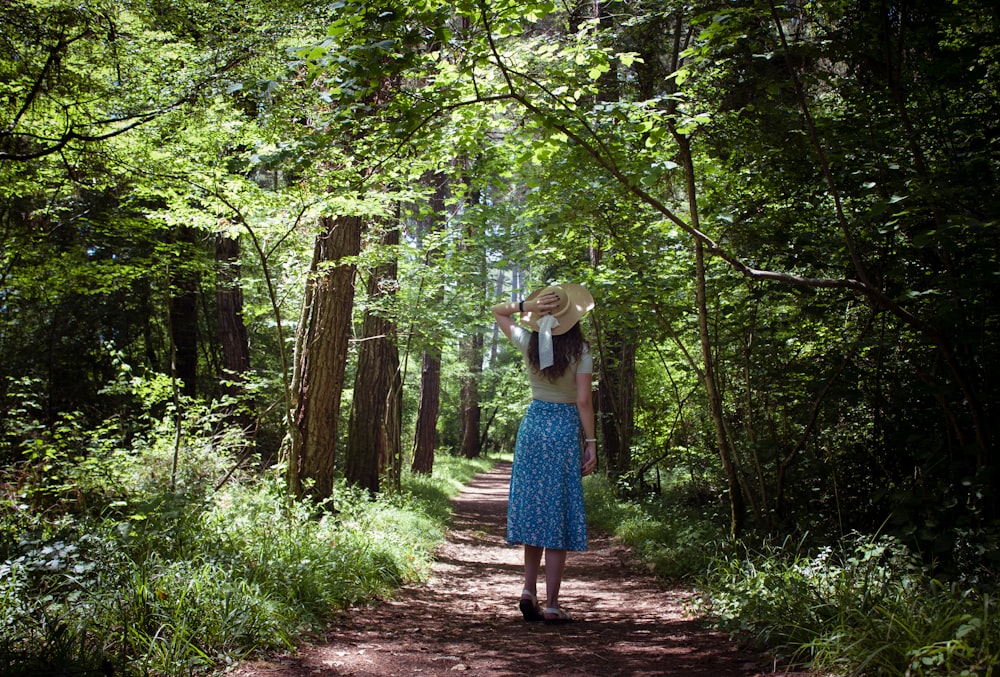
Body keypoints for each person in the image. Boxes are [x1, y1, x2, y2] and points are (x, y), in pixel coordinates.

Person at [491, 282, 598, 624]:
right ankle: (552, 604)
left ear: (542, 314)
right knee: (557, 511)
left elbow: (496, 311)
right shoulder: (581, 352)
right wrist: (591, 442)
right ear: (573, 317)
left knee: (534, 509)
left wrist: (528, 305)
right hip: (564, 429)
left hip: (534, 426)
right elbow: (583, 401)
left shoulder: (529, 342)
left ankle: (528, 590)